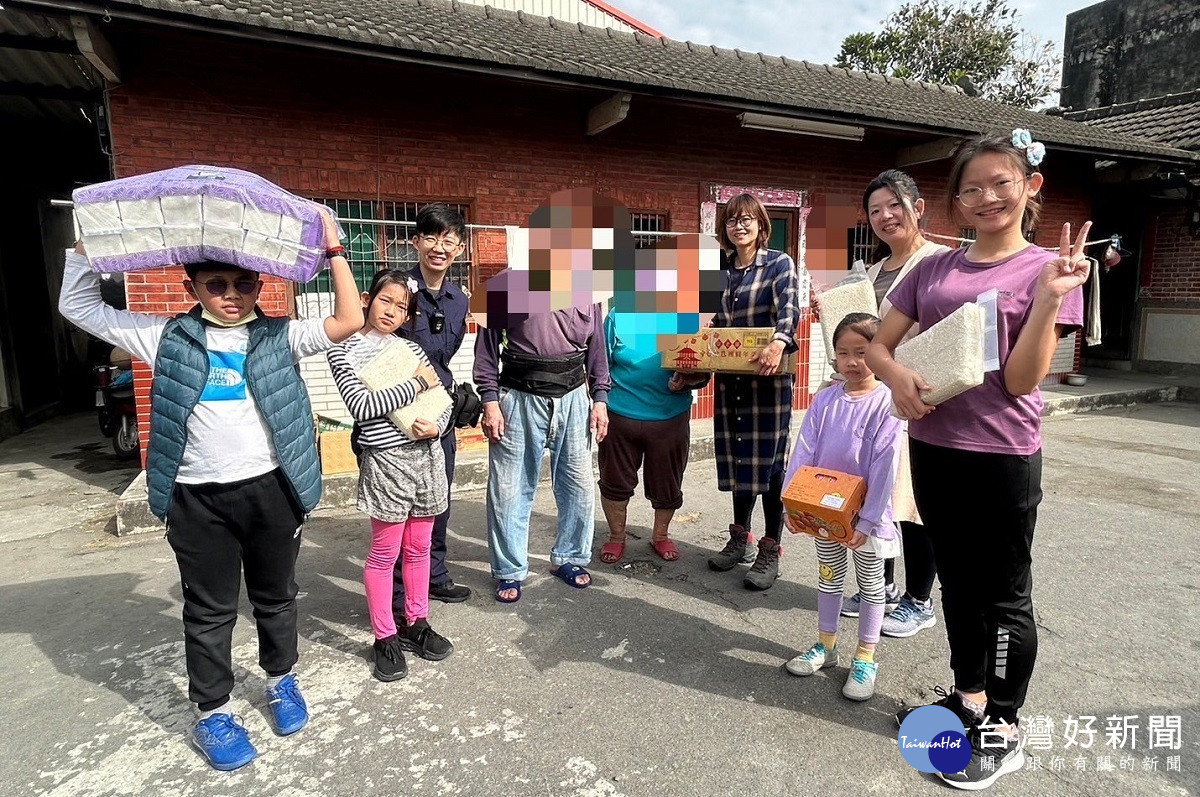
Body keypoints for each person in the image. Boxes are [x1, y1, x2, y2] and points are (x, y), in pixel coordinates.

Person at [58, 209, 363, 771]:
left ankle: (281, 681)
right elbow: (78, 306)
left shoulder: (279, 336)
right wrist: (86, 247)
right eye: (215, 284)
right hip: (196, 498)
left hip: (273, 491)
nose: (231, 295)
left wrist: (335, 250)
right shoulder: (164, 337)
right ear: (191, 286)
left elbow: (349, 318)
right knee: (209, 610)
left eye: (244, 283)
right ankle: (213, 714)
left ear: (260, 285)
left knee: (276, 597)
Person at [868, 130, 1089, 790]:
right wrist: (896, 378)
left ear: (1031, 187)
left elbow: (1022, 381)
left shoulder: (1049, 269)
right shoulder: (933, 267)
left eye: (1002, 182)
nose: (988, 196)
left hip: (1002, 457)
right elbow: (880, 344)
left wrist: (1050, 298)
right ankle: (968, 699)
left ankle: (1004, 725)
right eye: (972, 188)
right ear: (957, 202)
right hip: (934, 448)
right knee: (957, 584)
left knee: (1005, 597)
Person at [328, 270, 455, 682]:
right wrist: (414, 384)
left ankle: (416, 623)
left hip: (428, 455)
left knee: (419, 547)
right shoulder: (343, 350)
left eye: (403, 307)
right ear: (367, 298)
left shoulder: (409, 347)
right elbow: (362, 406)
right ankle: (384, 635)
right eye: (386, 301)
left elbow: (444, 400)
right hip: (386, 460)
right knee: (385, 552)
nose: (393, 311)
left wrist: (438, 426)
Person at [838, 171, 950, 638]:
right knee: (875, 495)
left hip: (915, 398)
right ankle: (876, 587)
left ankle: (919, 599)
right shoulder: (872, 270)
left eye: (894, 205)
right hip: (871, 401)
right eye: (875, 210)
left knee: (912, 502)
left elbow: (946, 335)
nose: (885, 216)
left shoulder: (941, 264)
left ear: (918, 208)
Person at [782, 313, 901, 701]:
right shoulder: (825, 399)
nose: (852, 361)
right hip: (824, 515)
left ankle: (865, 656)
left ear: (882, 354)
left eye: (863, 352)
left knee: (870, 585)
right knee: (829, 577)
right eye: (843, 353)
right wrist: (792, 500)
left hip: (864, 519)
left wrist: (866, 519)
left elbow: (885, 464)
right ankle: (827, 646)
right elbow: (804, 449)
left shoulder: (887, 402)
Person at [475, 302, 611, 603]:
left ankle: (569, 557)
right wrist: (490, 400)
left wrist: (600, 398)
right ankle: (509, 569)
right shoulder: (504, 286)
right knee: (509, 489)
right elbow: (486, 351)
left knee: (578, 486)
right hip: (518, 398)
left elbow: (597, 351)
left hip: (574, 397)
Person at [706, 194, 801, 590]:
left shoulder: (779, 263)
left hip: (768, 379)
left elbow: (789, 310)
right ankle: (739, 538)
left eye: (747, 220)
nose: (739, 226)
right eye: (731, 220)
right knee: (738, 459)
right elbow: (704, 320)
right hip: (732, 380)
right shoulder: (718, 271)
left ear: (761, 226)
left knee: (770, 466)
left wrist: (779, 342)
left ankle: (769, 547)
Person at [393, 204, 473, 605]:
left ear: (459, 247)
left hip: (439, 408)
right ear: (415, 242)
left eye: (449, 240)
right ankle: (396, 587)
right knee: (399, 502)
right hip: (396, 411)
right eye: (431, 237)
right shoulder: (396, 291)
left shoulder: (459, 299)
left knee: (436, 496)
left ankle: (434, 573)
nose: (439, 247)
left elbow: (446, 356)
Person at [597, 307, 708, 563]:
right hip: (620, 414)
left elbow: (704, 370)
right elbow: (600, 364)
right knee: (614, 481)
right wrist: (599, 402)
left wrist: (688, 380)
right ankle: (616, 537)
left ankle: (660, 535)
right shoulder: (617, 316)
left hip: (669, 417)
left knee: (667, 483)